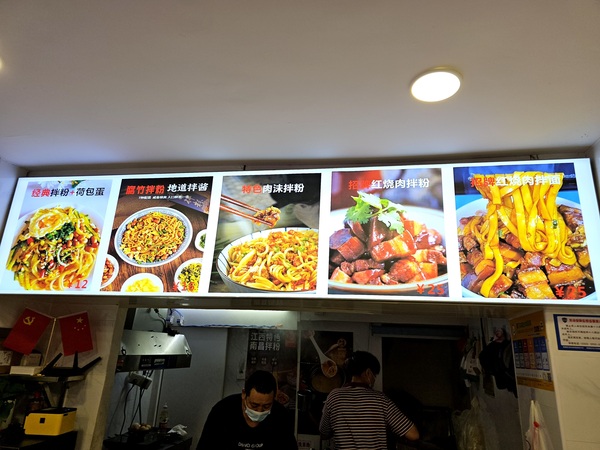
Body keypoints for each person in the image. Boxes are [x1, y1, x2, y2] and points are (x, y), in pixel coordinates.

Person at [319, 351, 419, 450]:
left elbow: (323, 434)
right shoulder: (380, 399)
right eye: (374, 375)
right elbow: (413, 435)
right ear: (368, 373)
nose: (374, 379)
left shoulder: (334, 396)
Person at [197, 370, 298, 450]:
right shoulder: (222, 411)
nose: (259, 411)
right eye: (254, 405)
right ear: (244, 394)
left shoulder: (280, 415)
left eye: (266, 406)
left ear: (274, 398)